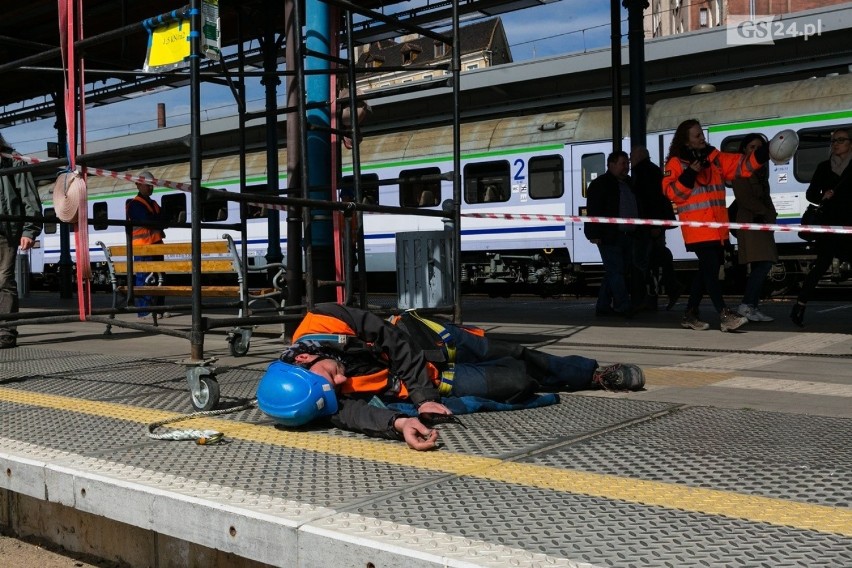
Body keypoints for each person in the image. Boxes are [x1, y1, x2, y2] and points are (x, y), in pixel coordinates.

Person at [257, 303, 645, 451]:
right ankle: (545, 379)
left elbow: (397, 344)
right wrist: (401, 422)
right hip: (432, 382)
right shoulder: (317, 394)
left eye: (330, 378)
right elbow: (353, 416)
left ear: (305, 357)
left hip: (432, 343)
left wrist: (422, 396)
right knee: (517, 383)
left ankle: (593, 375)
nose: (341, 385)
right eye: (334, 390)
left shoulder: (327, 319)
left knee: (516, 354)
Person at [663, 119, 769, 332]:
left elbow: (742, 165)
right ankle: (724, 314)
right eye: (697, 136)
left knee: (706, 271)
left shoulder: (715, 158)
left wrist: (767, 151)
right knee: (710, 270)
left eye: (701, 134)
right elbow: (672, 194)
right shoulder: (676, 163)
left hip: (717, 229)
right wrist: (691, 172)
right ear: (686, 141)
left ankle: (690, 313)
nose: (702, 138)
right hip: (697, 229)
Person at [790, 128, 852, 327]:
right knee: (820, 266)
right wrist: (822, 196)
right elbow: (810, 194)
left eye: (841, 140)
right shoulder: (823, 167)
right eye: (834, 141)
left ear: (850, 143)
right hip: (829, 225)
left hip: (850, 225)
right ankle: (799, 306)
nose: (836, 144)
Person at [584, 150, 649, 316]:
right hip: (609, 235)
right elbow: (594, 210)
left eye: (627, 163)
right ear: (611, 164)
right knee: (616, 271)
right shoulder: (600, 184)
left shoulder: (628, 183)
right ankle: (623, 305)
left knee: (614, 271)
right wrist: (594, 233)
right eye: (622, 163)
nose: (626, 167)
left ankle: (603, 305)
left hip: (627, 235)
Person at [0, 133, 43, 349]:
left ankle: (6, 332)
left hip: (5, 232)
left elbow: (29, 198)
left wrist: (29, 230)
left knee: (4, 280)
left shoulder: (13, 161)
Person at [731, 133, 777, 322]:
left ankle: (752, 305)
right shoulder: (741, 169)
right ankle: (747, 305)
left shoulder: (761, 171)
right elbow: (744, 198)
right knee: (763, 263)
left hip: (761, 221)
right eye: (752, 147)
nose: (756, 151)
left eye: (759, 147)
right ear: (744, 150)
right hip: (751, 221)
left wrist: (771, 215)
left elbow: (765, 196)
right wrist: (766, 212)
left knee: (762, 264)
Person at [630, 146, 681, 310]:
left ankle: (651, 296)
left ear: (639, 156)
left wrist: (654, 224)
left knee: (643, 261)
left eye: (632, 155)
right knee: (657, 256)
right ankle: (670, 289)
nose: (630, 159)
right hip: (654, 225)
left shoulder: (643, 172)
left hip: (648, 226)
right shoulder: (652, 170)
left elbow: (649, 201)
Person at [126, 170, 166, 320]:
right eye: (147, 185)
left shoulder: (153, 204)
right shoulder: (135, 205)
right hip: (143, 248)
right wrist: (158, 220)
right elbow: (148, 221)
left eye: (152, 185)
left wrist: (156, 220)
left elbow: (163, 219)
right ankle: (144, 311)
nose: (150, 187)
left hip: (156, 246)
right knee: (144, 278)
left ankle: (159, 309)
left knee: (160, 277)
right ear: (138, 185)